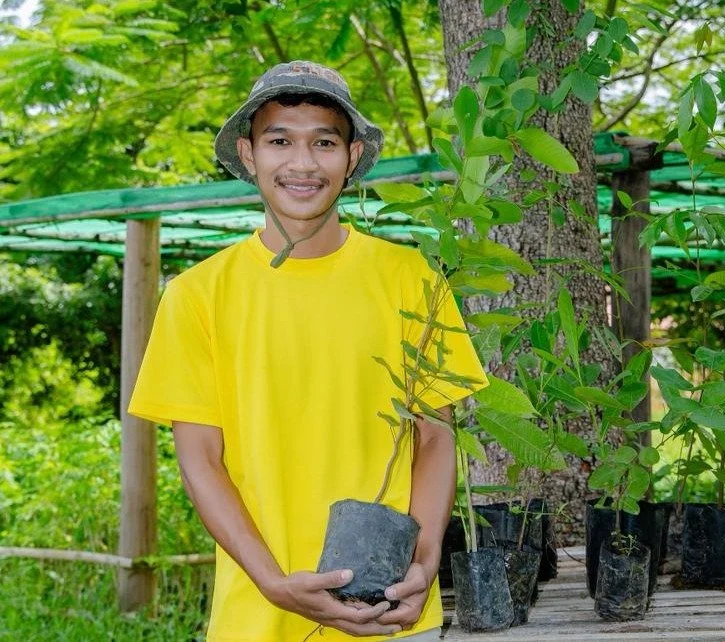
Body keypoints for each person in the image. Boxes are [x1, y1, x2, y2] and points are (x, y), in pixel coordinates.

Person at [129, 60, 488, 641]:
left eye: (324, 142)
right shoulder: (197, 295)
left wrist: (423, 564)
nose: (302, 164)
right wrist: (272, 582)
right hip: (256, 613)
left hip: (391, 610)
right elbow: (200, 458)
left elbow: (434, 435)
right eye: (280, 141)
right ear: (249, 156)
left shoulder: (411, 278)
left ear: (350, 158)